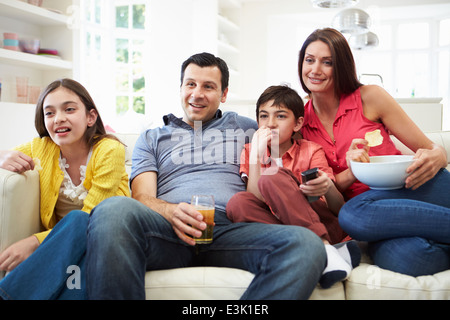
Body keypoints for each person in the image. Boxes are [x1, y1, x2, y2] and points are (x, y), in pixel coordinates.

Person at [85, 52, 327, 300]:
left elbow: (291, 128)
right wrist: (171, 212)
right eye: (190, 84)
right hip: (168, 231)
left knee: (306, 245)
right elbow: (141, 197)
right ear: (181, 88)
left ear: (224, 94)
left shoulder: (250, 128)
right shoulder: (152, 138)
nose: (197, 93)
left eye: (208, 86)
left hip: (230, 230)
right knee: (112, 209)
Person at [298, 28, 450, 277]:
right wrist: (352, 170)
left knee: (352, 215)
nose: (315, 70)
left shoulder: (370, 97)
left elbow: (430, 148)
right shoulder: (301, 124)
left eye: (328, 62)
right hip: (372, 216)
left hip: (413, 188)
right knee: (414, 259)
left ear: (342, 66)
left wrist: (439, 154)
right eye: (309, 59)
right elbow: (323, 190)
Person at [0, 78, 130, 299]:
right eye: (49, 113)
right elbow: (6, 153)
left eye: (69, 109)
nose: (58, 118)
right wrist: (3, 155)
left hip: (112, 239)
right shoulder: (41, 148)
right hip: (67, 248)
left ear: (91, 117)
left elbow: (92, 216)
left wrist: (35, 241)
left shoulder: (110, 149)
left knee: (80, 220)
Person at [226, 85, 359, 288]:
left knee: (270, 178)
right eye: (263, 116)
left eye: (280, 116)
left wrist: (327, 187)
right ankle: (313, 249)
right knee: (237, 203)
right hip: (281, 230)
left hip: (321, 224)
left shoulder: (311, 150)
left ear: (297, 123)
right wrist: (256, 156)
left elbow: (337, 207)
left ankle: (323, 248)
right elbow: (255, 198)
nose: (270, 124)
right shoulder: (250, 150)